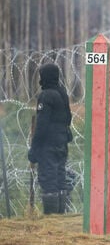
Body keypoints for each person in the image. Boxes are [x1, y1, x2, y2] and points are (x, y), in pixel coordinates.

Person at [28, 63, 73, 214]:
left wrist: (34, 149)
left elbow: (41, 125)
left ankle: (51, 218)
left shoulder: (46, 95)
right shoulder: (62, 93)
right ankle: (60, 217)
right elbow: (68, 117)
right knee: (60, 178)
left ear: (44, 77)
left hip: (48, 144)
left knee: (48, 179)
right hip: (61, 142)